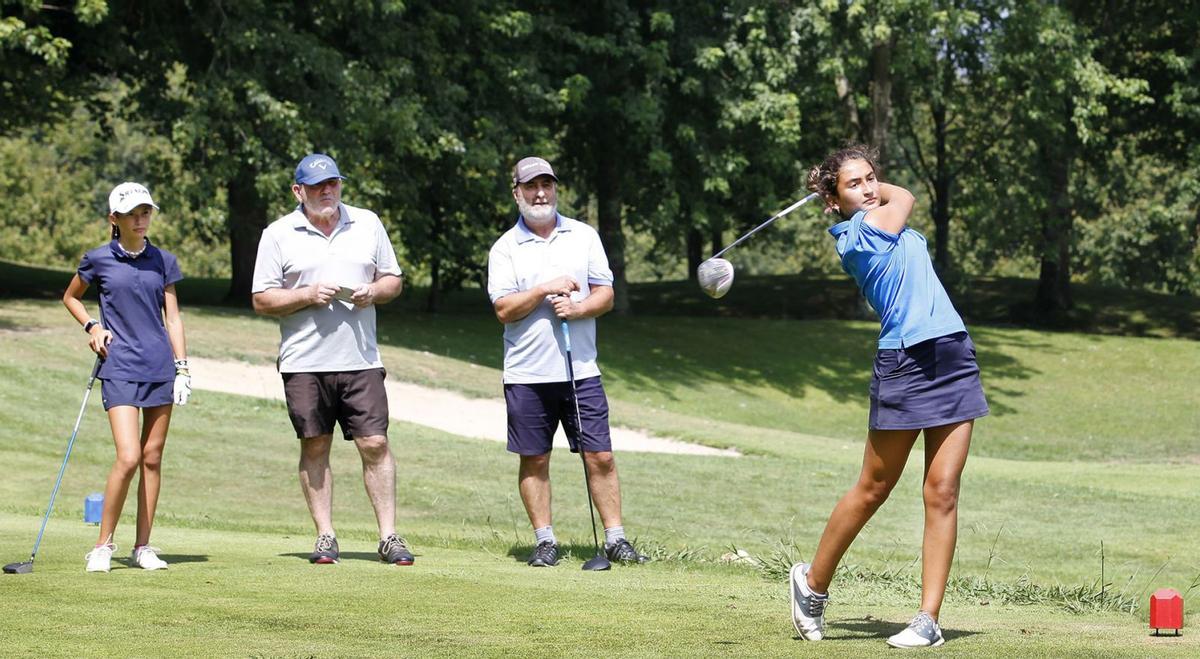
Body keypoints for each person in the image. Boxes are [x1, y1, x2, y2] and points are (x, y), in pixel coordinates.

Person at [789, 145, 989, 648]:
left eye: (871, 177)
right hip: (904, 364)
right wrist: (865, 195)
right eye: (853, 184)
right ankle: (812, 584)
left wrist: (852, 185)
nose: (869, 188)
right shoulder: (856, 236)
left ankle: (928, 618)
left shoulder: (877, 214)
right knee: (874, 487)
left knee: (942, 490)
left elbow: (898, 197)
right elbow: (907, 197)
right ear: (832, 203)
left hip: (951, 352)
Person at [251, 153, 413, 566]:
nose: (327, 192)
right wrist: (306, 295)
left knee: (374, 443)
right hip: (304, 361)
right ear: (298, 191)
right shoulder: (278, 233)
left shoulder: (367, 223)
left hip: (360, 358)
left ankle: (389, 536)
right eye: (318, 186)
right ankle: (325, 535)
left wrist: (373, 292)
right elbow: (261, 298)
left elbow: (393, 280)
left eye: (333, 184)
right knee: (315, 443)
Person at [487, 156, 647, 568]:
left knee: (601, 456)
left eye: (547, 185)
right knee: (535, 458)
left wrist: (580, 309)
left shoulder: (583, 236)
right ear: (516, 192)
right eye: (531, 186)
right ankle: (545, 541)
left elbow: (605, 293)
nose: (541, 193)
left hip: (581, 371)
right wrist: (544, 289)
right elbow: (504, 309)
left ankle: (615, 538)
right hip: (526, 373)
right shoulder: (505, 248)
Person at [62, 182, 191, 573]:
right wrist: (91, 326)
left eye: (146, 211)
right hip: (118, 366)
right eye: (133, 212)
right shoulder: (98, 260)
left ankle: (143, 546)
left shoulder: (163, 261)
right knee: (129, 455)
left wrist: (182, 367)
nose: (141, 218)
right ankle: (102, 545)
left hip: (159, 367)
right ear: (114, 218)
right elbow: (71, 297)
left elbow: (173, 317)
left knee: (152, 457)